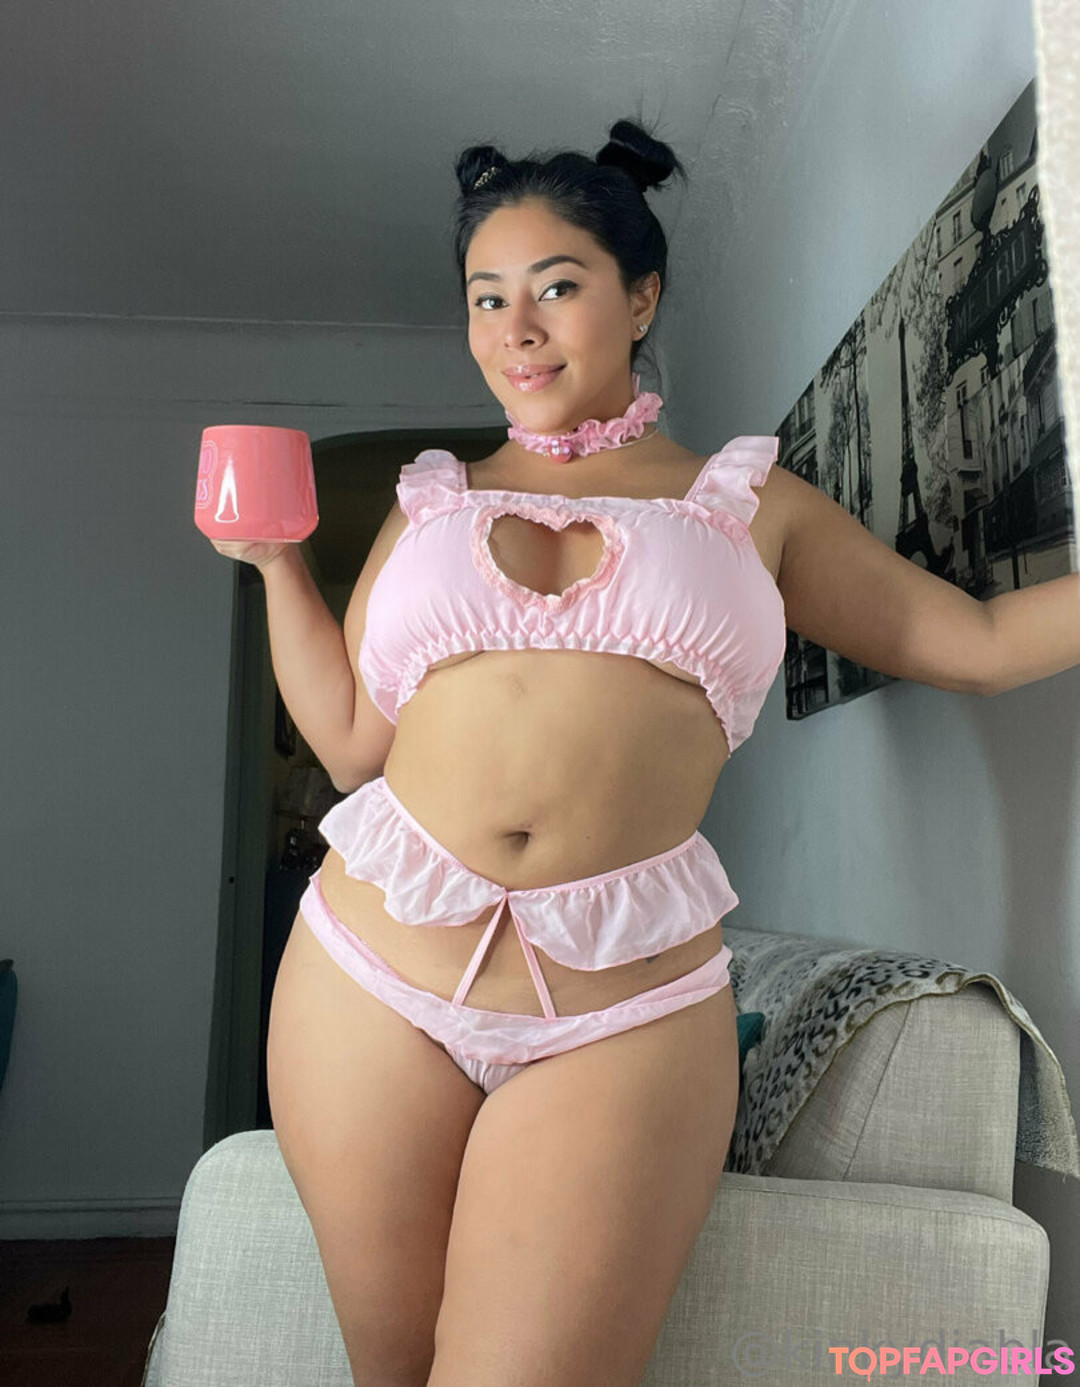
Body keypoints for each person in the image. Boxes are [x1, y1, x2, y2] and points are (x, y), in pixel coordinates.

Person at [207, 119, 1080, 1387]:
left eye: (556, 287)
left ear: (641, 298)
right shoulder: (428, 503)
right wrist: (278, 564)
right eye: (486, 298)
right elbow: (348, 745)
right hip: (370, 978)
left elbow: (984, 642)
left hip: (618, 1015)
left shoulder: (751, 506)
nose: (516, 329)